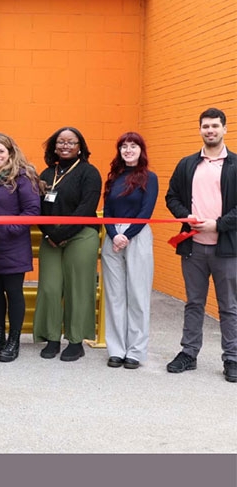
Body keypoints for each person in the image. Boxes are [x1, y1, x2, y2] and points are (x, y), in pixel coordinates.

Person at [165, 107, 236, 383]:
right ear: (200, 129)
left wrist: (217, 224)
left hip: (226, 248)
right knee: (193, 303)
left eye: (215, 126)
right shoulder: (187, 164)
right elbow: (172, 197)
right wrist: (186, 216)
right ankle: (189, 354)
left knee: (229, 305)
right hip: (192, 246)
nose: (210, 131)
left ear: (224, 129)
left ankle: (232, 358)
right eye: (205, 126)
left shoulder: (235, 165)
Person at [32, 127, 102, 361]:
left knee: (78, 288)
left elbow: (87, 206)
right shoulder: (45, 174)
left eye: (71, 142)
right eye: (61, 142)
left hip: (81, 235)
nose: (65, 146)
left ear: (80, 146)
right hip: (51, 238)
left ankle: (75, 340)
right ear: (54, 146)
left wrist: (63, 233)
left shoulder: (89, 173)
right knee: (50, 288)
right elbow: (39, 208)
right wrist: (51, 233)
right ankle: (51, 338)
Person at [0, 133, 42, 362]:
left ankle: (14, 340)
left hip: (12, 247)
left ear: (10, 153)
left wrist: (7, 230)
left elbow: (32, 210)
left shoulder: (23, 178)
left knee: (13, 294)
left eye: (1, 151)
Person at [101, 132, 158, 369]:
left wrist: (127, 235)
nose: (128, 150)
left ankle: (135, 351)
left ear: (140, 150)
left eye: (133, 146)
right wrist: (115, 235)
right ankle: (116, 349)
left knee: (137, 294)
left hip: (137, 235)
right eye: (124, 146)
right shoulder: (114, 178)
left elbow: (146, 211)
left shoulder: (149, 178)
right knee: (114, 295)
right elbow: (107, 211)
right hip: (113, 236)